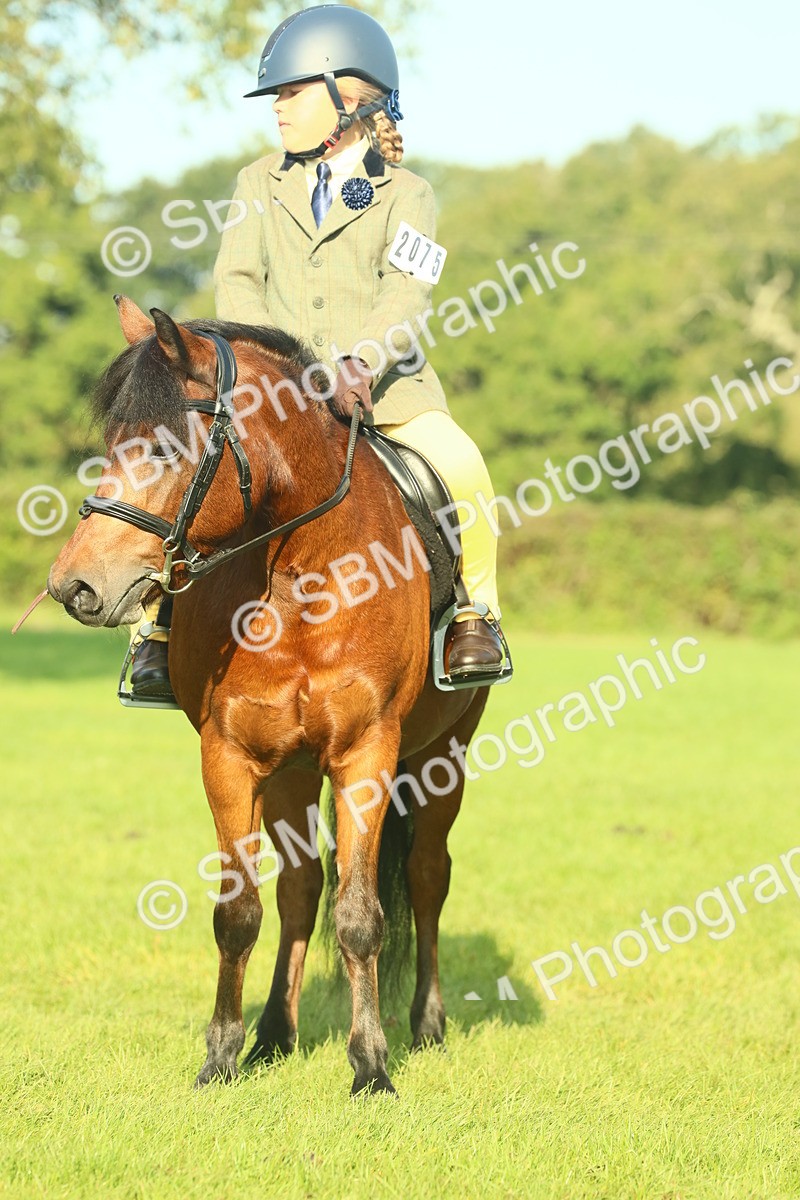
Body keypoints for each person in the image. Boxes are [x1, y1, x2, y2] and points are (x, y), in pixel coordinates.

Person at [129, 2, 508, 699]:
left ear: (349, 96)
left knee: (464, 467)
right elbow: (237, 282)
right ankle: (156, 630)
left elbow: (407, 292)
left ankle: (476, 617)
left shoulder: (411, 194)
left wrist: (359, 361)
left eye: (290, 91)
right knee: (180, 470)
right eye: (277, 94)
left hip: (386, 391)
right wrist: (286, 368)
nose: (276, 107)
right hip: (269, 392)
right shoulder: (256, 184)